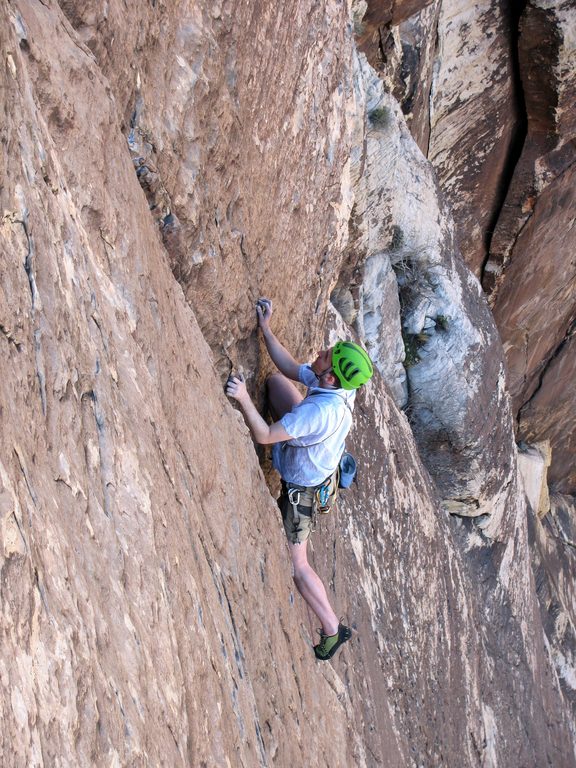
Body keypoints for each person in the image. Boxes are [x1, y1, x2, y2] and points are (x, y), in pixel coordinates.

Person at [226, 298, 373, 660]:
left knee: (298, 565)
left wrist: (243, 397)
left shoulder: (318, 413)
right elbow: (291, 367)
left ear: (331, 377)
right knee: (277, 383)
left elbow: (262, 435)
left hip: (302, 490)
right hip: (319, 460)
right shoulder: (338, 386)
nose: (321, 352)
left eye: (328, 356)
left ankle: (332, 629)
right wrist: (266, 328)